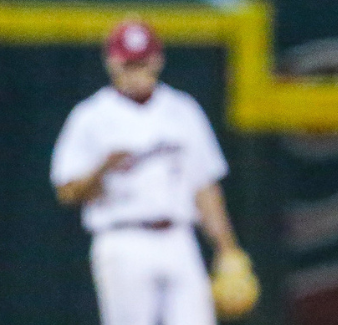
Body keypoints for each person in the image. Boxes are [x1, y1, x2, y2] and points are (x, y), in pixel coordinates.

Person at [51, 19, 251, 325]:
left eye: (142, 62)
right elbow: (66, 191)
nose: (136, 72)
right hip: (121, 239)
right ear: (113, 63)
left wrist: (227, 248)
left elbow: (205, 186)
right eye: (129, 64)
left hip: (178, 237)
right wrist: (100, 170)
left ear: (157, 60)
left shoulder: (183, 110)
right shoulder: (90, 116)